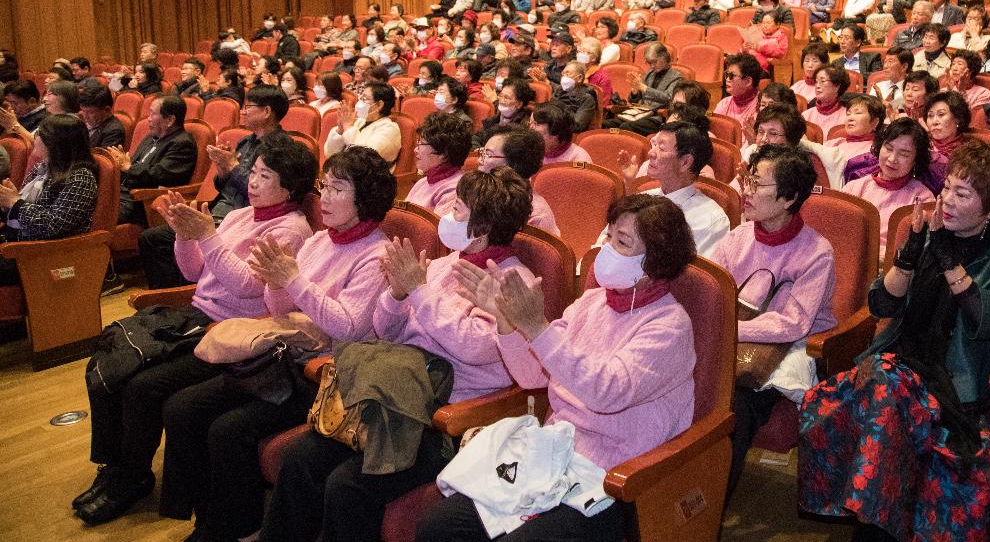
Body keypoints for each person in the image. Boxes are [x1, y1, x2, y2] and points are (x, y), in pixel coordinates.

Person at [259, 168, 536, 542]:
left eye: (457, 210)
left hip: (443, 416)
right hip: (394, 394)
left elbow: (474, 347)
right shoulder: (442, 266)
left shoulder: (512, 284)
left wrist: (419, 293)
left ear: (481, 228)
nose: (446, 218)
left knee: (347, 485)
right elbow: (387, 330)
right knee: (300, 459)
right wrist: (397, 295)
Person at [417, 193, 698, 541]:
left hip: (615, 477)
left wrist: (536, 328)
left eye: (622, 243)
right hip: (554, 453)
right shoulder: (593, 300)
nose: (606, 249)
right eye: (608, 236)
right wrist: (506, 321)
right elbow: (534, 375)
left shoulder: (669, 325)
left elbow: (606, 392)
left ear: (654, 261)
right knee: (439, 526)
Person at [73, 140, 314, 526]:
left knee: (143, 386)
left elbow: (247, 287)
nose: (251, 181)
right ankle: (114, 467)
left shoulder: (291, 230)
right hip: (194, 317)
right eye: (252, 172)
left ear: (289, 188)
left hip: (232, 332)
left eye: (264, 176)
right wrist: (186, 234)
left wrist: (208, 236)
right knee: (111, 360)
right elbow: (193, 272)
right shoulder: (240, 216)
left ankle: (132, 478)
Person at [798, 141, 990, 541]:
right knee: (882, 385)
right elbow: (882, 302)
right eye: (947, 189)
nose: (947, 202)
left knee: (886, 398)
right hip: (898, 360)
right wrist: (909, 254)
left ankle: (869, 530)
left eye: (963, 194)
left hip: (955, 386)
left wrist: (947, 260)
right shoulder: (925, 231)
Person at [159, 146, 394, 542]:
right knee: (184, 406)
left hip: (325, 373)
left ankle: (233, 527)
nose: (325, 197)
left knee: (229, 430)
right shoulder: (322, 240)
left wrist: (292, 280)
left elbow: (349, 327)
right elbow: (278, 308)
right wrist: (277, 281)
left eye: (338, 188)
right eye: (325, 186)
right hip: (282, 356)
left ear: (365, 199)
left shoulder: (376, 254)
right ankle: (208, 518)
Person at [712, 145, 832, 496]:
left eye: (757, 184)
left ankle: (711, 510)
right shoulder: (738, 237)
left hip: (786, 349)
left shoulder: (817, 252)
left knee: (735, 406)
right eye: (748, 179)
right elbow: (713, 290)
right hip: (736, 335)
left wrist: (729, 329)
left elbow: (793, 324)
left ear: (788, 197)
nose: (745, 191)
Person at [139, 85, 291, 289]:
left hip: (244, 218)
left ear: (266, 112)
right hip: (220, 211)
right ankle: (173, 293)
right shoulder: (246, 141)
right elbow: (223, 186)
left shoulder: (281, 148)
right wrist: (223, 170)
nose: (242, 111)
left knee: (163, 238)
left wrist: (233, 167)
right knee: (152, 238)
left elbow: (262, 193)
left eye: (248, 107)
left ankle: (188, 292)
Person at [619, 121, 729, 255]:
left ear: (685, 162)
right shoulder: (643, 198)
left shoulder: (711, 220)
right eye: (654, 145)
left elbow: (695, 275)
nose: (651, 153)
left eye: (661, 148)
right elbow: (605, 242)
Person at [0, 113, 98, 258]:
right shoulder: (42, 168)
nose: (34, 137)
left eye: (39, 133)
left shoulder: (81, 177)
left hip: (46, 254)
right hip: (17, 242)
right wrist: (5, 202)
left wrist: (15, 203)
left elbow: (53, 225)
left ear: (55, 142)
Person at [842, 118, 933, 257]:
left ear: (916, 160)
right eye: (888, 148)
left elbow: (915, 252)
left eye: (903, 154)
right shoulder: (854, 187)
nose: (892, 159)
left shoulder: (923, 199)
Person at [106, 96, 198, 227]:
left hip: (140, 201)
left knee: (96, 218)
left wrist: (128, 168)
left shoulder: (182, 143)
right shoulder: (151, 137)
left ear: (170, 120)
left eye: (153, 114)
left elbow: (160, 174)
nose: (148, 118)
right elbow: (131, 164)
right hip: (120, 194)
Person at [477, 125, 558, 234]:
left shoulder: (537, 215)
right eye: (482, 153)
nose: (479, 160)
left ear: (513, 165)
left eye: (488, 155)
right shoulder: (480, 191)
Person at [403, 112, 471, 214]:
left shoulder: (455, 190)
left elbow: (436, 229)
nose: (416, 150)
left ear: (443, 153)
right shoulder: (424, 181)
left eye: (421, 144)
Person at [322, 82, 401, 167]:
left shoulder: (389, 129)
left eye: (365, 98)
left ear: (379, 105)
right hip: (346, 171)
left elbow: (363, 159)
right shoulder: (360, 121)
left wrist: (348, 128)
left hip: (370, 177)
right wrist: (340, 131)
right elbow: (330, 154)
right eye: (361, 97)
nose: (360, 102)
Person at [714, 53, 766, 134]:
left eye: (732, 75)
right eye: (727, 74)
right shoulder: (723, 104)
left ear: (748, 81)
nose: (727, 79)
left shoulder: (762, 106)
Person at [802, 64, 851, 140]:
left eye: (822, 81)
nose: (817, 86)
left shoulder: (847, 116)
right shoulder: (806, 115)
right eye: (816, 81)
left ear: (837, 86)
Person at [79, 81, 127, 149]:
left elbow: (102, 159)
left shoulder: (114, 131)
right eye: (83, 111)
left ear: (107, 110)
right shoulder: (83, 123)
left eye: (90, 112)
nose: (85, 116)